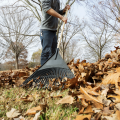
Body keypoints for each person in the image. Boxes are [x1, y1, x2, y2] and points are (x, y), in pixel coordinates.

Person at [40, 0, 70, 65]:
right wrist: (61, 17)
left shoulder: (57, 1)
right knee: (46, 52)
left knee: (53, 53)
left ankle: (51, 71)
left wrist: (64, 10)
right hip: (46, 29)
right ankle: (44, 73)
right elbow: (47, 8)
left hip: (53, 30)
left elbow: (56, 12)